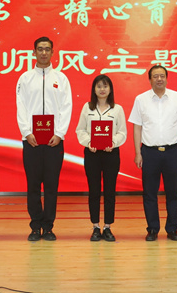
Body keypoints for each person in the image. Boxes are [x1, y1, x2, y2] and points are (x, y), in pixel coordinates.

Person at [16, 36, 73, 242]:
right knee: (33, 186)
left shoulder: (61, 78)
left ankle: (48, 227)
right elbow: (21, 107)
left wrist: (59, 133)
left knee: (51, 186)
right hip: (31, 141)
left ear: (52, 53)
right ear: (34, 52)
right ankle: (35, 226)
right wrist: (26, 132)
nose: (43, 53)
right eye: (39, 49)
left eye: (47, 49)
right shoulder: (25, 78)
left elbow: (66, 107)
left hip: (53, 142)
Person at [129, 65, 177, 241]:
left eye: (162, 76)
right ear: (150, 79)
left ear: (167, 78)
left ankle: (172, 229)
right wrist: (138, 153)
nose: (159, 79)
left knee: (173, 192)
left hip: (173, 151)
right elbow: (137, 127)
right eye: (155, 76)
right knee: (149, 193)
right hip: (149, 152)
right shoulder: (141, 99)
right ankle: (152, 229)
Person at [75, 74, 127, 242]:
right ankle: (96, 226)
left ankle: (108, 227)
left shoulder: (117, 109)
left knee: (110, 191)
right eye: (99, 86)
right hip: (92, 154)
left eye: (105, 86)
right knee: (94, 191)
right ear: (94, 89)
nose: (102, 89)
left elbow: (122, 132)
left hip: (111, 154)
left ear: (110, 89)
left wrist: (113, 142)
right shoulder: (87, 108)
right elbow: (80, 130)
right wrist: (88, 142)